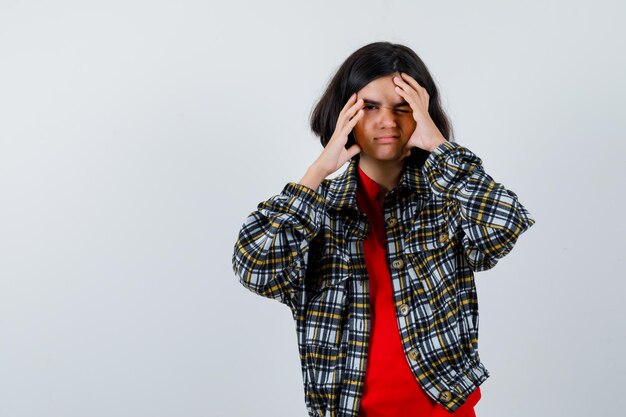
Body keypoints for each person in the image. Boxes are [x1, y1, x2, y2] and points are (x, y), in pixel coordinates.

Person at [231, 41, 535, 417]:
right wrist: (317, 172)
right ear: (344, 114)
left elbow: (503, 224)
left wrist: (440, 147)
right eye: (369, 107)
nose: (387, 121)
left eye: (403, 107)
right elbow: (256, 269)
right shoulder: (316, 210)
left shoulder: (446, 199)